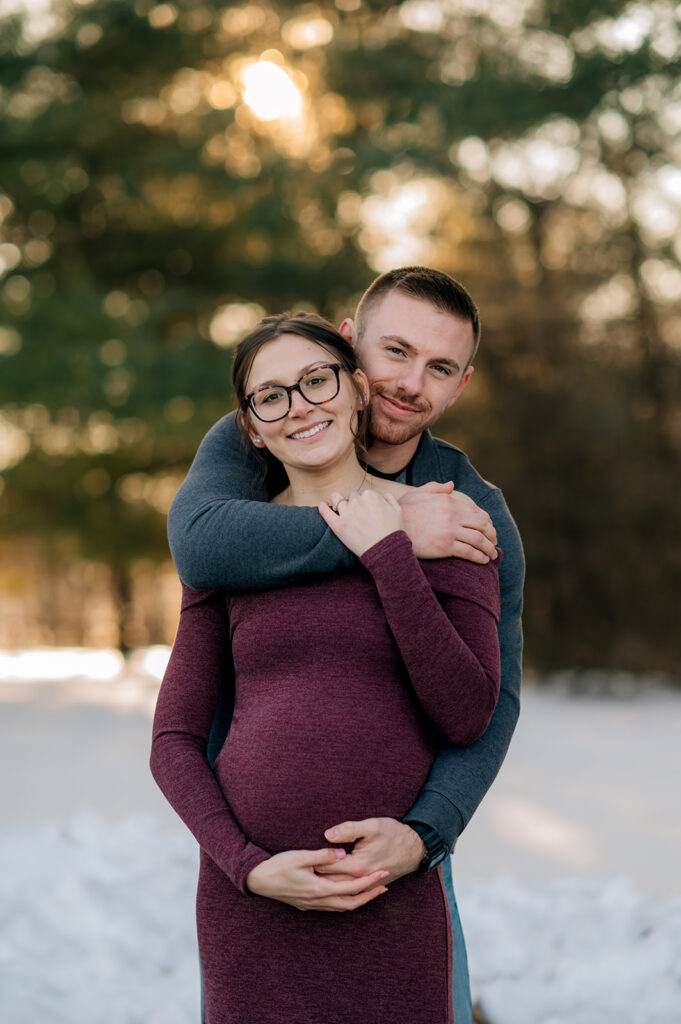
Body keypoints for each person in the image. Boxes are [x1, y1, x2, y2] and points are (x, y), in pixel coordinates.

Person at [167, 267, 525, 1022]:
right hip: (253, 883)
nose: (408, 383)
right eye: (394, 351)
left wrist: (426, 835)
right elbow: (198, 547)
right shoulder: (250, 442)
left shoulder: (466, 514)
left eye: (438, 368)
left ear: (462, 384)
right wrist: (379, 530)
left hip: (397, 862)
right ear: (350, 345)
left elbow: (487, 705)